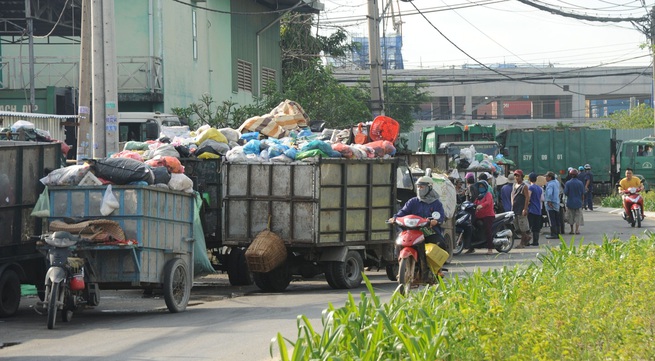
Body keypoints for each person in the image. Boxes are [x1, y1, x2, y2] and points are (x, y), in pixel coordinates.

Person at [389, 176, 446, 283]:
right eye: (418, 187)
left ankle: (437, 269)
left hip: (429, 231)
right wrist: (395, 218)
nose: (420, 189)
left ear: (429, 188)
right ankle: (400, 266)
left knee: (440, 244)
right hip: (412, 231)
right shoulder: (413, 201)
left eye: (422, 187)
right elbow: (402, 212)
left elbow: (440, 217)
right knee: (398, 243)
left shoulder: (436, 203)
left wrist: (436, 221)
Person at [472, 180, 496, 255]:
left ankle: (490, 248)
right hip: (479, 215)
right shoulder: (479, 196)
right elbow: (474, 203)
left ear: (485, 187)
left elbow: (488, 202)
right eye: (479, 187)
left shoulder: (488, 194)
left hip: (488, 215)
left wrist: (481, 205)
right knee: (471, 227)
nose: (481, 188)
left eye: (482, 187)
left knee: (488, 231)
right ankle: (471, 247)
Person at [510, 169, 532, 248]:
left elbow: (527, 198)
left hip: (521, 209)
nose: (516, 177)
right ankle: (527, 238)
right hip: (515, 209)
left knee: (523, 227)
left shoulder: (524, 186)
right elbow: (512, 195)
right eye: (515, 175)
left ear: (521, 177)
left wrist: (525, 209)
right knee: (517, 227)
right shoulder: (514, 185)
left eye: (518, 176)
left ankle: (522, 243)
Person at [563, 168, 585, 235]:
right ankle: (577, 230)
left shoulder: (568, 183)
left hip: (570, 202)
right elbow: (582, 194)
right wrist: (582, 202)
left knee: (571, 216)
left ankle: (572, 230)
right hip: (578, 202)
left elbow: (566, 192)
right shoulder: (580, 183)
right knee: (578, 216)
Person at [527, 172, 543, 246]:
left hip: (531, 209)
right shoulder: (539, 188)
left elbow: (528, 197)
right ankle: (536, 241)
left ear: (529, 179)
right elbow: (541, 198)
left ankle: (527, 241)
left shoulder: (531, 187)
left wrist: (526, 204)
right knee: (536, 227)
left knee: (529, 226)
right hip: (538, 209)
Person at [544, 171, 561, 239]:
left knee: (551, 220)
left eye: (546, 177)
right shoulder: (556, 182)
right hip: (556, 202)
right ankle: (558, 233)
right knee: (557, 219)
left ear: (550, 177)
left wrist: (549, 201)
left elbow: (549, 193)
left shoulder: (550, 184)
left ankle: (553, 234)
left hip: (551, 204)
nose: (545, 178)